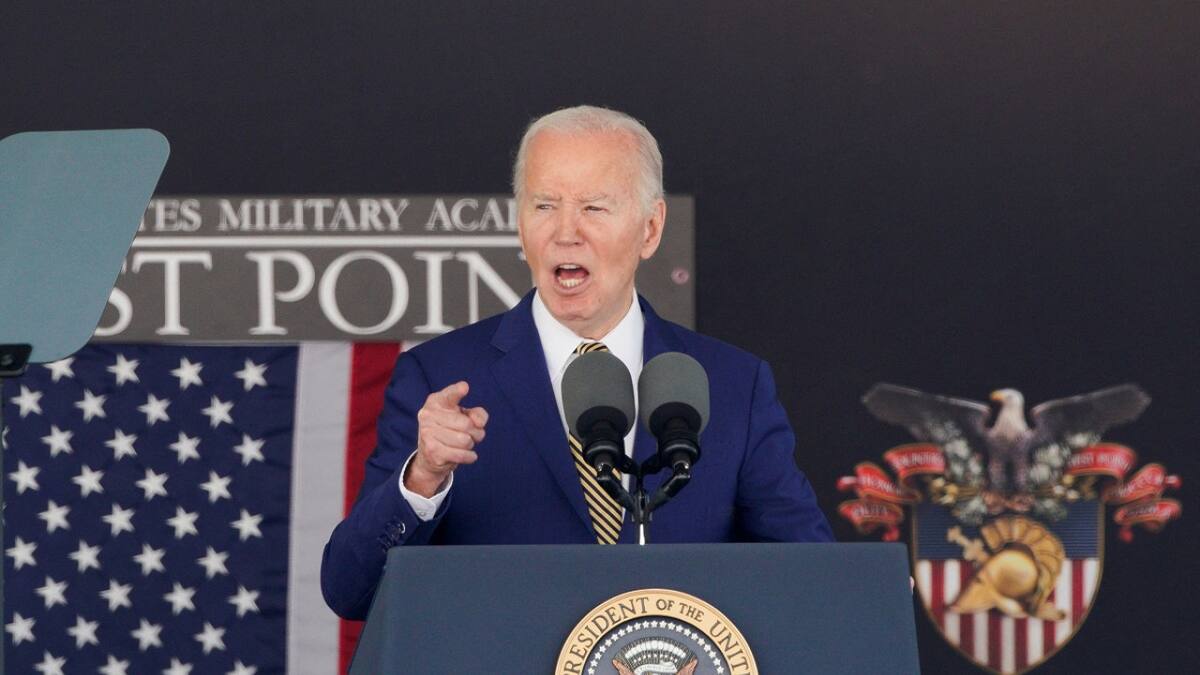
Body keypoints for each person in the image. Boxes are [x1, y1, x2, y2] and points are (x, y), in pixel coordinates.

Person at [321, 105, 833, 620]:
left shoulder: (732, 386)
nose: (566, 232)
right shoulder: (441, 379)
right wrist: (424, 478)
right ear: (521, 227)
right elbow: (351, 591)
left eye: (593, 207)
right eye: (544, 206)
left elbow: (814, 583)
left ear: (651, 229)